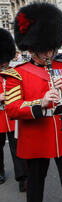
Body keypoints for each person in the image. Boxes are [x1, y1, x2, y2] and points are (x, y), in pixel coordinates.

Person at [0, 3, 62, 202]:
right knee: (35, 192)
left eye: (51, 47)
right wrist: (40, 103)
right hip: (35, 140)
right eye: (44, 49)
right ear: (32, 47)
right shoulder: (17, 74)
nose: (49, 53)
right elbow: (13, 108)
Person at [0, 28, 27, 191]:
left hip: (13, 117)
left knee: (17, 148)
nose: (4, 64)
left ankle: (23, 178)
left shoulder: (15, 73)